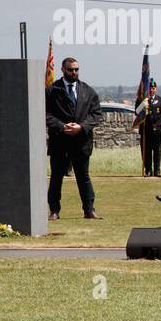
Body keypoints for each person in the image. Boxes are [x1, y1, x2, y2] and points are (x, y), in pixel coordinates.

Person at [45, 58, 103, 219]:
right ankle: (54, 211)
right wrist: (62, 126)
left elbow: (96, 114)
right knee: (56, 176)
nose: (74, 73)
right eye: (70, 70)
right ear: (63, 70)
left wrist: (81, 127)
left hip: (81, 142)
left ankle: (89, 210)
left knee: (83, 177)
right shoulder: (52, 90)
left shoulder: (88, 91)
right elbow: (45, 113)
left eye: (76, 69)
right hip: (60, 142)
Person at [139, 80, 161, 177]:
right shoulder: (142, 99)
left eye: (153, 88)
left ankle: (157, 170)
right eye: (150, 88)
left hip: (157, 129)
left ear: (156, 89)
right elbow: (136, 112)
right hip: (146, 130)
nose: (151, 90)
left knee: (157, 150)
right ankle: (148, 170)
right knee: (147, 151)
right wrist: (142, 105)